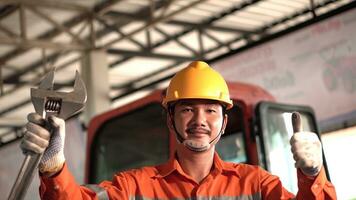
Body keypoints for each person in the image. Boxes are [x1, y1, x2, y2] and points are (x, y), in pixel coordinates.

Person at [21, 61, 336, 199]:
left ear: (223, 123)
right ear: (170, 119)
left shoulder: (257, 184)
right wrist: (53, 165)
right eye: (187, 109)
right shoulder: (135, 188)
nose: (199, 119)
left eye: (211, 110)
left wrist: (311, 175)